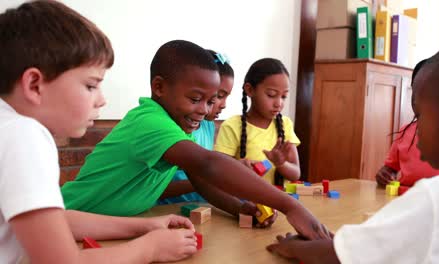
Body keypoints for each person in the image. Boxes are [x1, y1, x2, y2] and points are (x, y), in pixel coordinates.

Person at [61, 40, 330, 239]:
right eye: (195, 99)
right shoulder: (150, 121)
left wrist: (239, 208)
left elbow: (202, 181)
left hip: (103, 227)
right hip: (69, 219)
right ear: (159, 87)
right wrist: (288, 204)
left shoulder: (176, 128)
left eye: (211, 101)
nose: (204, 110)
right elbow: (208, 165)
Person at [0, 1, 198, 263]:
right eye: (92, 85)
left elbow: (57, 221)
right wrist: (149, 249)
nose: (102, 100)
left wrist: (144, 226)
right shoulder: (23, 136)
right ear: (35, 84)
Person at [267, 38, 439, 263]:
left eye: (420, 115)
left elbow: (341, 258)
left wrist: (294, 248)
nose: (415, 126)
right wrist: (347, 244)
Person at [157, 49, 234, 205]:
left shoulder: (207, 125)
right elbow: (156, 189)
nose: (223, 105)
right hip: (167, 209)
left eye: (225, 96)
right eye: (219, 96)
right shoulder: (168, 127)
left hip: (200, 207)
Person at [215, 58, 301, 186]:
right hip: (244, 202)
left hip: (278, 202)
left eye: (283, 96)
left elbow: (295, 173)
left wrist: (280, 163)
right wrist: (239, 167)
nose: (279, 103)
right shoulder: (232, 126)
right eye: (271, 95)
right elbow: (218, 172)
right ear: (249, 90)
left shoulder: (285, 124)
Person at [376, 59, 439, 187]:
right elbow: (390, 169)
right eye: (416, 90)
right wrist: (384, 175)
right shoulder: (405, 131)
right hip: (409, 200)